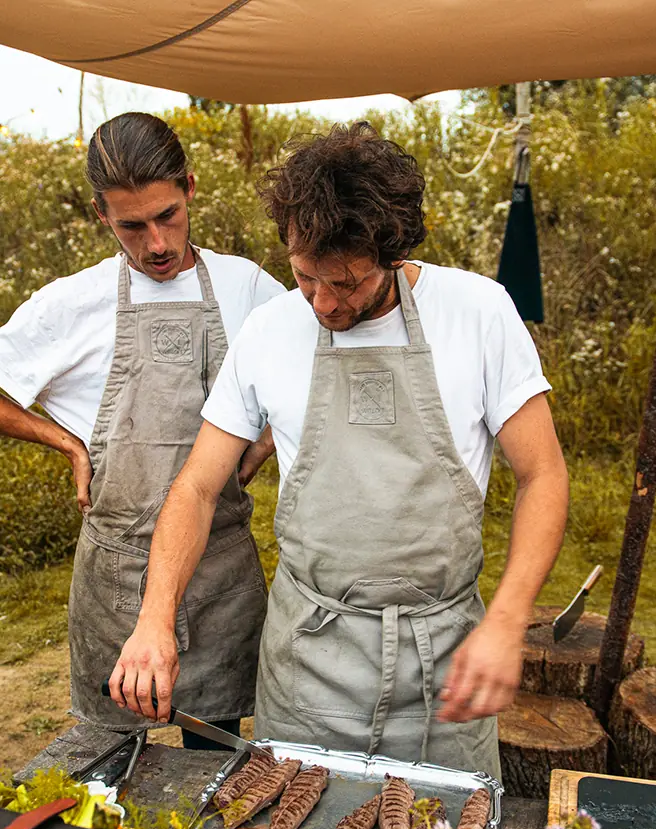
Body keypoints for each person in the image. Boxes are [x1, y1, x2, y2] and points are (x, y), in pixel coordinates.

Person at [110, 122, 568, 778]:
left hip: (444, 664)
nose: (323, 301)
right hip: (309, 666)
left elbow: (543, 473)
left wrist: (508, 618)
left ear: (393, 250)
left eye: (347, 284)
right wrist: (155, 619)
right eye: (304, 278)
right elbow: (197, 487)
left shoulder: (479, 313)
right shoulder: (270, 331)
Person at [0, 112, 286, 747]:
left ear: (188, 187)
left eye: (168, 216)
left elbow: (310, 372)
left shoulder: (246, 288)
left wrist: (263, 440)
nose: (156, 243)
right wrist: (66, 442)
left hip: (221, 570)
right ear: (103, 217)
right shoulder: (74, 302)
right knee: (109, 758)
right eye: (132, 226)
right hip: (118, 571)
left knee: (216, 752)